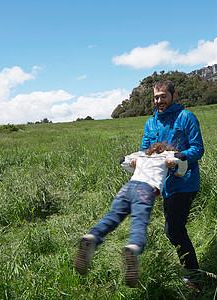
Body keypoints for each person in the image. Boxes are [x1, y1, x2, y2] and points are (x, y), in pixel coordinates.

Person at [74, 142, 188, 288]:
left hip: (127, 187)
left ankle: (92, 237)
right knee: (139, 222)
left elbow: (123, 161)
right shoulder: (168, 154)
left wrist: (133, 165)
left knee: (113, 216)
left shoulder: (140, 154)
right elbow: (182, 157)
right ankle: (133, 247)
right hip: (146, 190)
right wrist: (179, 172)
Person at [139, 79, 204, 279]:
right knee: (173, 229)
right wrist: (137, 160)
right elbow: (145, 150)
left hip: (185, 181)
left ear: (174, 97)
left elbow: (198, 148)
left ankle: (192, 276)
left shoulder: (186, 118)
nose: (159, 101)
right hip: (164, 184)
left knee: (174, 230)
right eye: (156, 97)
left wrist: (178, 157)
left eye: (163, 96)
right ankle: (191, 270)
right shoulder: (151, 123)